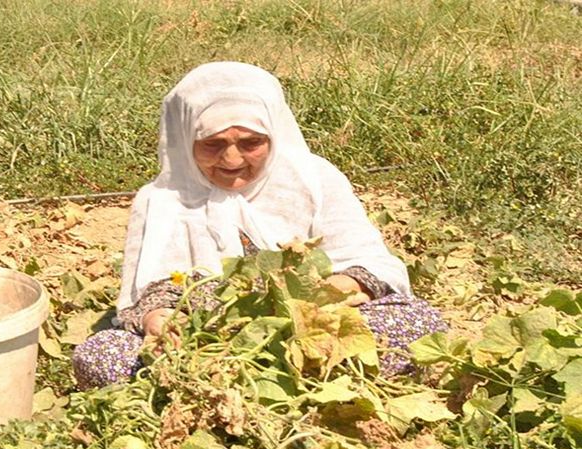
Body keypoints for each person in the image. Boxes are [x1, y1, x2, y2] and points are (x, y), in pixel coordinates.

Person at [71, 62, 446, 390]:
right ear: (185, 139)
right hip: (208, 341)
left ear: (273, 134)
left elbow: (368, 262)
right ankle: (236, 390)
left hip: (315, 329)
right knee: (102, 356)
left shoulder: (314, 178)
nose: (232, 159)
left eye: (251, 143)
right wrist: (162, 322)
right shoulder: (160, 200)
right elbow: (151, 293)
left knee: (418, 321)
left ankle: (273, 385)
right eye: (212, 144)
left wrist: (325, 297)